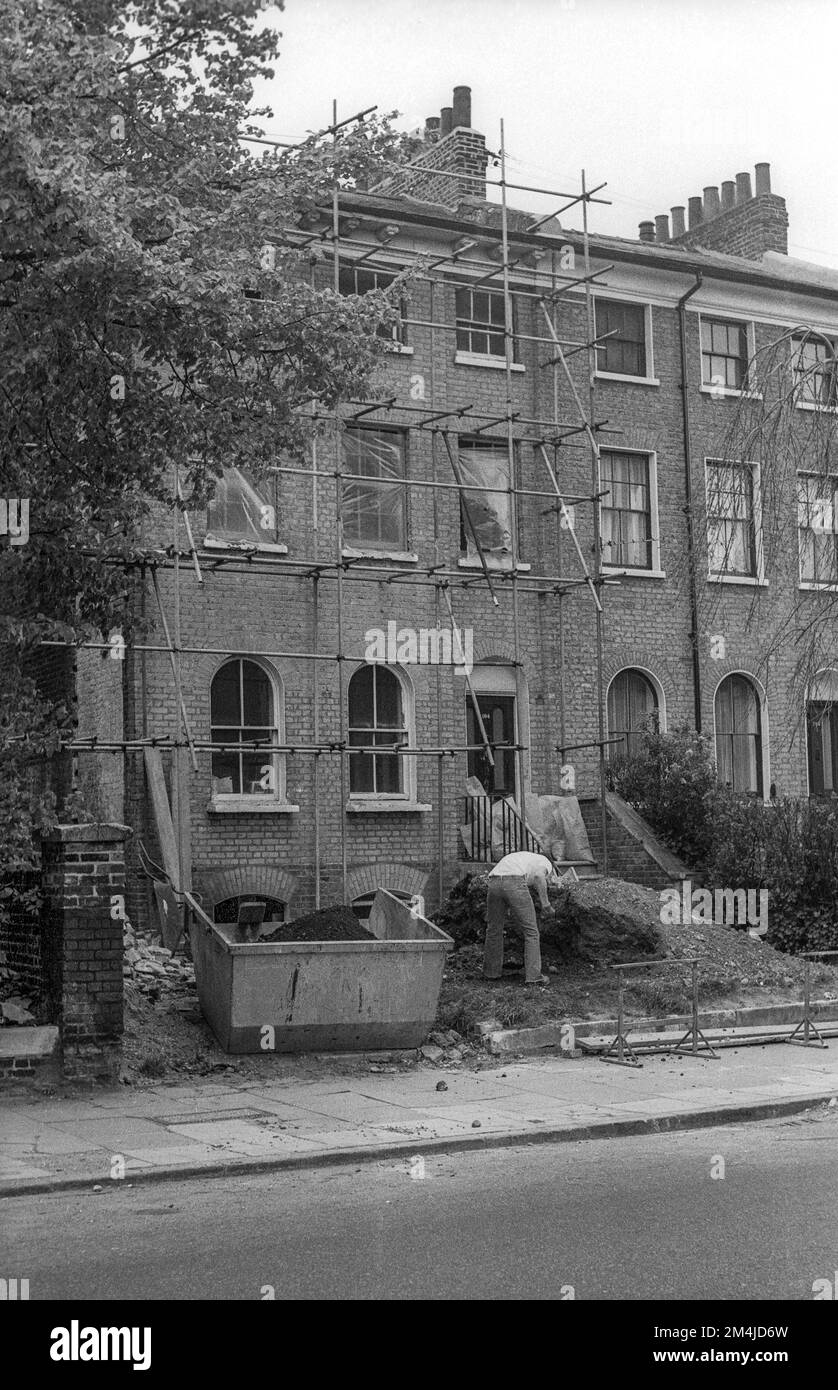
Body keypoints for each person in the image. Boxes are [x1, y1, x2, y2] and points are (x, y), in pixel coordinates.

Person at [483, 850, 559, 986]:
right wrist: (546, 904)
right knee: (531, 932)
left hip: (493, 882)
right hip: (514, 882)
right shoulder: (546, 862)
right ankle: (534, 977)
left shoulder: (524, 857)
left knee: (494, 929)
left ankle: (491, 973)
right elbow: (539, 877)